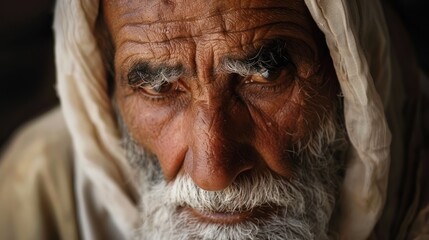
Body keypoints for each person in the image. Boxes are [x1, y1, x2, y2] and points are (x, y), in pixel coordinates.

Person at [0, 0, 427, 239]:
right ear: (104, 87)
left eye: (263, 75)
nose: (214, 171)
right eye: (159, 87)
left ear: (351, 76)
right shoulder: (39, 190)